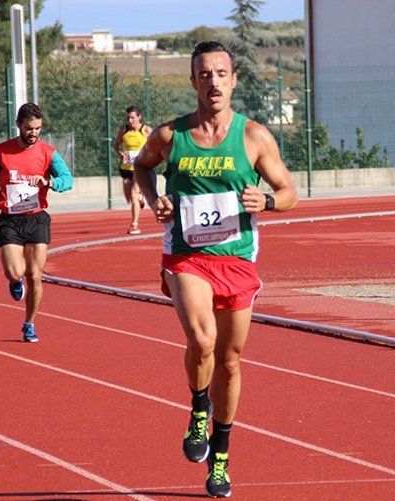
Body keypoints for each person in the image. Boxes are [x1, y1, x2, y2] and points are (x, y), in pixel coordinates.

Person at [134, 41, 297, 498]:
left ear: (234, 79)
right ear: (193, 82)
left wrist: (265, 200)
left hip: (238, 258)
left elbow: (289, 193)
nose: (213, 82)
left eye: (221, 73)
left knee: (229, 361)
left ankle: (220, 456)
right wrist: (155, 200)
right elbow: (142, 167)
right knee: (202, 340)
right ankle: (198, 407)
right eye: (204, 75)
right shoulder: (170, 136)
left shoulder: (254, 137)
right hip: (186, 255)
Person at [0, 102, 73, 343]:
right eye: (29, 128)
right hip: (10, 220)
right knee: (14, 271)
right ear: (19, 125)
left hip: (36, 218)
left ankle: (29, 324)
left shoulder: (48, 152)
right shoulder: (2, 151)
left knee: (35, 275)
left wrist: (50, 183)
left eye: (38, 128)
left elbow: (67, 179)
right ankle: (14, 281)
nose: (33, 133)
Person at [113, 106, 152, 234]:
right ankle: (141, 199)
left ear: (139, 117)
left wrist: (148, 157)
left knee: (134, 194)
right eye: (128, 118)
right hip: (126, 167)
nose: (130, 120)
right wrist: (120, 154)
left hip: (140, 167)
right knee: (129, 197)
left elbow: (157, 144)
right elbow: (116, 145)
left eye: (133, 118)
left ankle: (134, 224)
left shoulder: (145, 130)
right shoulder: (124, 130)